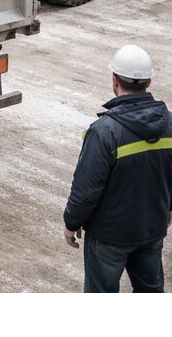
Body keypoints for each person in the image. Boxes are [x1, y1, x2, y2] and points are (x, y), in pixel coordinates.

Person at [63, 45, 172, 293]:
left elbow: (86, 190)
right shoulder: (170, 123)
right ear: (149, 81)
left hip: (108, 236)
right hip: (152, 228)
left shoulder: (104, 131)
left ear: (115, 81)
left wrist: (71, 223)